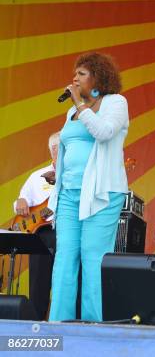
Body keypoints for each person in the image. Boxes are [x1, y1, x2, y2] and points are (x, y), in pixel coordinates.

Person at [47, 52, 129, 322]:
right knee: (65, 258)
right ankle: (58, 324)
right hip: (69, 193)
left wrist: (82, 107)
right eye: (74, 74)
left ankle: (93, 325)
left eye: (81, 74)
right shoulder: (72, 111)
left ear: (97, 76)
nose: (74, 78)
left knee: (93, 257)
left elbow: (104, 133)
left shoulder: (115, 102)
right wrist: (57, 172)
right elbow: (67, 147)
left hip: (100, 193)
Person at [12, 132, 59, 320]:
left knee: (66, 283)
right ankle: (35, 325)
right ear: (52, 150)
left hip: (66, 231)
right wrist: (21, 201)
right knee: (38, 282)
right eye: (55, 147)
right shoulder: (37, 177)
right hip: (42, 235)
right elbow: (19, 202)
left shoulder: (77, 176)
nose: (58, 151)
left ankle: (65, 324)